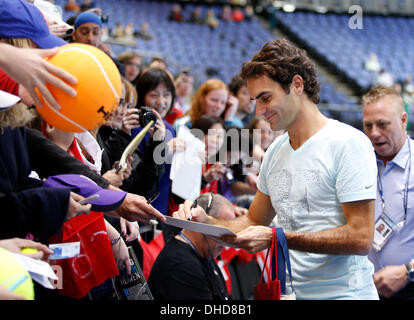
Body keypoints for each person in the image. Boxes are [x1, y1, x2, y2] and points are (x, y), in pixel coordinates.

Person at [174, 39, 379, 300]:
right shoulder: (275, 152)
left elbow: (361, 237)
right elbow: (251, 221)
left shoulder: (348, 143)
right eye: (255, 100)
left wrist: (278, 238)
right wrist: (208, 223)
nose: (259, 110)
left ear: (296, 84)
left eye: (266, 98)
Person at [362, 86, 414, 300]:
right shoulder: (358, 165)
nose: (374, 133)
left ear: (403, 120)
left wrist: (408, 271)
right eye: (368, 125)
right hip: (365, 290)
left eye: (383, 124)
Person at [148, 193, 235, 300]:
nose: (226, 244)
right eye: (222, 230)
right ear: (199, 221)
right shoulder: (181, 266)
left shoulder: (204, 252)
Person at [174, 78, 239, 131]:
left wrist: (228, 119)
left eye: (223, 103)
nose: (218, 106)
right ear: (201, 99)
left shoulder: (226, 124)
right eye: (214, 100)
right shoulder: (184, 124)